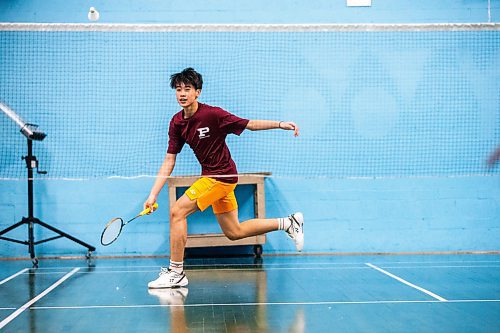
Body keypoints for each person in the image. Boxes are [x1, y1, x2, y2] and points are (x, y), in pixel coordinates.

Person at [145, 68, 304, 289]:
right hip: (215, 178)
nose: (182, 93)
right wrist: (152, 195)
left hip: (221, 177)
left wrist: (279, 124)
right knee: (234, 232)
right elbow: (169, 160)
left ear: (197, 92)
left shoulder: (213, 115)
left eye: (187, 89)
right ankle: (288, 223)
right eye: (178, 89)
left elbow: (248, 124)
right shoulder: (176, 123)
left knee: (177, 212)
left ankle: (176, 272)